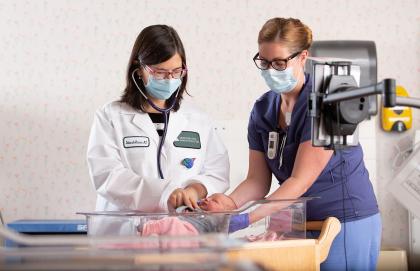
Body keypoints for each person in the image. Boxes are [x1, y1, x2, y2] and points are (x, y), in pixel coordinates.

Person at [203, 18, 381, 271]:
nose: (270, 70)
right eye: (263, 62)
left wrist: (246, 219)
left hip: (345, 221)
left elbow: (300, 180)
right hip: (296, 220)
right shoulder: (263, 109)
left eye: (279, 62)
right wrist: (229, 205)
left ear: (302, 57)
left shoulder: (325, 100)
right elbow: (257, 180)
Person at [87, 25, 229, 216]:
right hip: (125, 233)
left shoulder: (198, 120)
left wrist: (195, 190)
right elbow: (107, 176)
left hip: (182, 232)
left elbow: (217, 172)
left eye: (176, 71)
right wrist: (164, 193)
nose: (169, 79)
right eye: (160, 72)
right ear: (139, 70)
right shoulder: (110, 116)